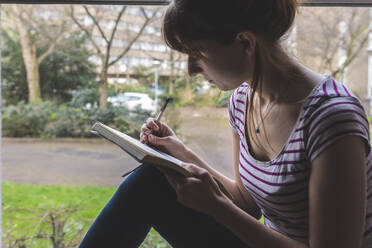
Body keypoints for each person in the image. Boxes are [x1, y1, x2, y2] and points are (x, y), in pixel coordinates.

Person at [80, 0, 372, 247]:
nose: (191, 70)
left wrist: (216, 207)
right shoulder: (243, 100)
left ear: (245, 43)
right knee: (150, 181)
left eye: (198, 55)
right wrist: (179, 153)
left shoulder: (332, 118)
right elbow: (246, 201)